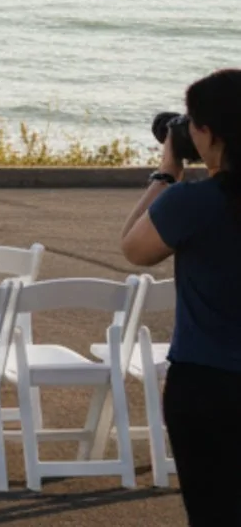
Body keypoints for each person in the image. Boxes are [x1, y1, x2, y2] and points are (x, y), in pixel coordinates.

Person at [121, 68, 241, 525]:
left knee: (214, 512)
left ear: (207, 132)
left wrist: (167, 170)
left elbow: (134, 246)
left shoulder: (192, 202)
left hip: (207, 384)